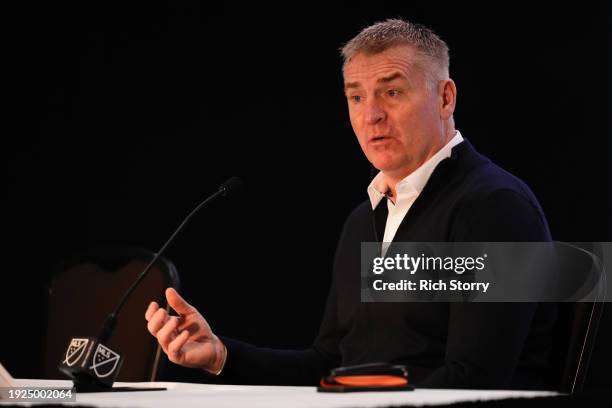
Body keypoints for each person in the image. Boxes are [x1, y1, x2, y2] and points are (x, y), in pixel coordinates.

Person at [145, 19, 556, 389]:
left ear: (445, 98)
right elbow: (331, 366)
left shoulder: (495, 208)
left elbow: (474, 380)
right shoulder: (364, 221)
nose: (371, 115)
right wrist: (221, 355)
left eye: (392, 91)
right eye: (356, 98)